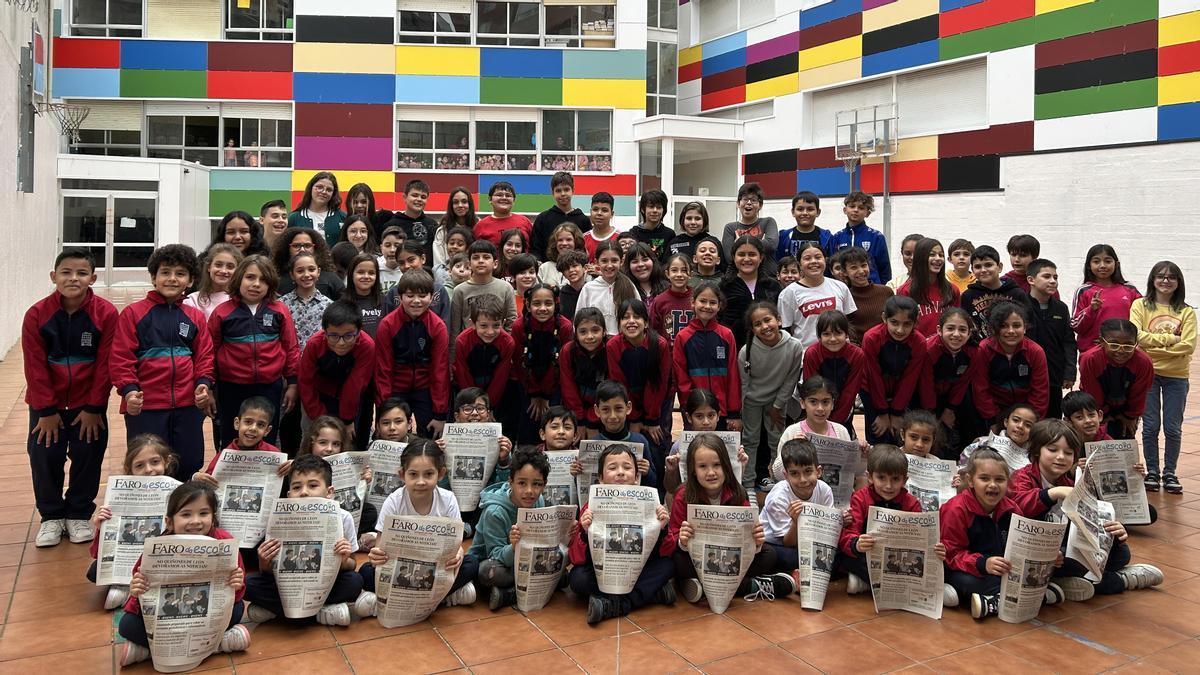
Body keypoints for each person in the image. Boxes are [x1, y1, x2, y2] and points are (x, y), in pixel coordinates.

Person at [24, 248, 118, 548]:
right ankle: (51, 517)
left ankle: (78, 513)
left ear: (92, 278)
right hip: (47, 408)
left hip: (86, 407)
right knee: (44, 457)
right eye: (66, 272)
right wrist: (46, 410)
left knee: (88, 457)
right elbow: (34, 366)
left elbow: (105, 366)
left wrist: (94, 407)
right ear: (54, 276)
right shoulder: (37, 314)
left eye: (81, 273)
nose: (73, 278)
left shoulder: (106, 314)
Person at [1008, 420, 1162, 598]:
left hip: (1062, 550)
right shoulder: (1023, 477)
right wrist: (1052, 493)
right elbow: (1017, 507)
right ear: (1036, 451)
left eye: (1068, 453)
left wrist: (1113, 533)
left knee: (1122, 554)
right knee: (1075, 564)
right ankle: (1122, 580)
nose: (1061, 457)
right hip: (1034, 551)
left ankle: (1064, 582)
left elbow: (1085, 523)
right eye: (1052, 450)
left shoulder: (1069, 482)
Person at [118, 481, 250, 666]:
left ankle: (147, 650)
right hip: (168, 624)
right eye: (186, 514)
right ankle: (219, 644)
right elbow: (140, 588)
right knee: (127, 625)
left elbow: (236, 594)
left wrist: (236, 584)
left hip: (206, 618)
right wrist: (137, 588)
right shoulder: (158, 546)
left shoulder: (225, 542)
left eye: (203, 513)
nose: (195, 521)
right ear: (169, 521)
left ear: (213, 517)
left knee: (237, 609)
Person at [110, 244, 213, 480]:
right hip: (147, 407)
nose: (172, 279)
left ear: (190, 280)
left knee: (188, 461)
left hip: (187, 406)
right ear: (154, 277)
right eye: (165, 272)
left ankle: (183, 511)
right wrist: (129, 391)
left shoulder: (194, 316)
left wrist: (203, 383)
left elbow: (204, 355)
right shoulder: (133, 313)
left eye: (180, 273)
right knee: (149, 465)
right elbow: (121, 358)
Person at [354, 439, 479, 616]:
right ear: (402, 474)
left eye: (428, 474)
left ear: (441, 473)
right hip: (403, 571)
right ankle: (445, 598)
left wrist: (458, 555)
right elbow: (381, 546)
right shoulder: (394, 501)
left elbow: (457, 545)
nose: (420, 481)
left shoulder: (448, 499)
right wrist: (377, 555)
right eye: (413, 474)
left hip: (435, 571)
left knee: (471, 563)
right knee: (366, 572)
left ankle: (396, 601)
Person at [668, 434, 794, 606]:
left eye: (717, 465)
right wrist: (682, 540)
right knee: (675, 561)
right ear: (693, 470)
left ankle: (704, 587)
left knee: (768, 554)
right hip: (699, 560)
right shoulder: (683, 495)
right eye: (703, 466)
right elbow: (673, 535)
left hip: (730, 559)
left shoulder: (738, 493)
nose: (711, 472)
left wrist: (755, 542)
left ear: (726, 467)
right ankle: (751, 585)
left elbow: (749, 536)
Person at [244, 454, 364, 626]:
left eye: (313, 485)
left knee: (354, 581)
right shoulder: (278, 517)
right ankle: (323, 611)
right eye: (296, 487)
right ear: (288, 494)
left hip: (324, 584)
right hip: (288, 586)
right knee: (248, 584)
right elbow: (268, 571)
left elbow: (352, 564)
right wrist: (264, 560)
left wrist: (344, 559)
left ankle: (278, 611)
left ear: (329, 492)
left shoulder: (343, 517)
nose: (304, 492)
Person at [569, 444, 674, 623]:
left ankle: (616, 605)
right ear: (601, 479)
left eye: (627, 467)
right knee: (577, 578)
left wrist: (663, 529)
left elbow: (667, 550)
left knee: (668, 566)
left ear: (636, 477)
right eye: (612, 468)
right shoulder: (590, 508)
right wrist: (585, 533)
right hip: (605, 573)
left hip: (638, 570)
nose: (620, 472)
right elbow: (575, 558)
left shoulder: (652, 506)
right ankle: (652, 594)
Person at [208, 255, 299, 447]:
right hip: (231, 387)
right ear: (239, 278)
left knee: (266, 436)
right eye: (250, 277)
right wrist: (209, 387)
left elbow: (291, 347)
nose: (256, 284)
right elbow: (209, 352)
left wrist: (292, 383)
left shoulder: (280, 310)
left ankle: (263, 476)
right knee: (230, 435)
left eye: (263, 280)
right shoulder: (222, 312)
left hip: (269, 386)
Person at [86, 434, 178, 607]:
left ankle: (138, 589)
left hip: (164, 559)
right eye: (140, 465)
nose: (149, 470)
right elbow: (97, 553)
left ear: (167, 461)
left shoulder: (178, 491)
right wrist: (102, 527)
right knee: (95, 571)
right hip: (129, 559)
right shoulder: (119, 497)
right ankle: (126, 586)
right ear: (130, 470)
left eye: (155, 462)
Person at [839, 446, 941, 595]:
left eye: (895, 479)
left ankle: (867, 583)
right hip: (867, 557)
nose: (888, 486)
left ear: (904, 480)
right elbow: (848, 534)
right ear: (870, 477)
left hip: (900, 560)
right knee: (847, 559)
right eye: (881, 478)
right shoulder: (860, 498)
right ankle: (870, 581)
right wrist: (857, 544)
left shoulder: (912, 503)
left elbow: (922, 540)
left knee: (927, 566)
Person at [1131, 261, 1195, 493]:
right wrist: (1172, 340)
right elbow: (1136, 336)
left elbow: (1188, 346)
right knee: (1150, 426)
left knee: (1172, 428)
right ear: (1153, 280)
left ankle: (1170, 473)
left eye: (1171, 277)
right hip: (1148, 373)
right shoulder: (1141, 305)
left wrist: (1152, 344)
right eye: (1161, 276)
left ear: (1179, 282)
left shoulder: (1186, 311)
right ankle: (1152, 472)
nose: (1166, 281)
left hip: (1177, 377)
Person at [470, 448, 555, 610]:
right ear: (511, 482)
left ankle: (508, 594)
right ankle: (536, 585)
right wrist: (514, 546)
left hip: (525, 560)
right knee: (487, 572)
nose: (529, 491)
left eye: (537, 484)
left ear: (544, 485)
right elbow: (495, 554)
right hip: (497, 560)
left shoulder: (539, 501)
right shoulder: (495, 512)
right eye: (522, 483)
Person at [376, 269, 450, 437]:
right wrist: (383, 408)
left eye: (423, 296)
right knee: (393, 436)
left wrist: (440, 413)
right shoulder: (387, 325)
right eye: (410, 296)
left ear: (431, 297)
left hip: (425, 388)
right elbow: (383, 369)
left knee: (430, 436)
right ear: (400, 297)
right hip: (396, 388)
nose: (416, 301)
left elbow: (440, 370)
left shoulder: (438, 327)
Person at [739, 301, 804, 490]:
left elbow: (791, 379)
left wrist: (778, 405)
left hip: (778, 400)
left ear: (779, 320)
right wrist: (741, 411)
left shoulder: (794, 346)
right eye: (757, 324)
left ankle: (780, 481)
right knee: (750, 439)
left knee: (777, 439)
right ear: (752, 329)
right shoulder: (747, 351)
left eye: (767, 320)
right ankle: (749, 482)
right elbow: (744, 384)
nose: (764, 327)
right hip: (752, 401)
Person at [299, 302, 376, 447]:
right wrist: (320, 419)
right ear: (325, 331)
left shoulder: (367, 346)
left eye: (348, 336)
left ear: (359, 331)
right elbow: (306, 383)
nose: (341, 343)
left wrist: (347, 420)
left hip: (353, 400)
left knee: (351, 439)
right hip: (319, 395)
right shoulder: (314, 344)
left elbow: (355, 384)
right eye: (333, 336)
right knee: (314, 439)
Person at [607, 299, 672, 466]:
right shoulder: (613, 346)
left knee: (657, 445)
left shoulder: (659, 344)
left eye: (636, 317)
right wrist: (634, 418)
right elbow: (619, 385)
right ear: (619, 323)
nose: (631, 322)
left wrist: (652, 420)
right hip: (628, 405)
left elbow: (658, 384)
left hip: (657, 405)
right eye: (625, 317)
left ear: (646, 321)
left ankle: (659, 488)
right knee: (630, 449)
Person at [760, 438, 835, 574]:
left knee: (836, 553)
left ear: (818, 471)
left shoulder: (825, 490)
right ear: (786, 476)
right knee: (790, 557)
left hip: (809, 541)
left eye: (808, 471)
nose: (803, 480)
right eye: (794, 473)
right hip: (777, 543)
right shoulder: (778, 497)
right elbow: (788, 542)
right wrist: (795, 522)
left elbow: (826, 533)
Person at [861, 296, 929, 444]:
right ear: (884, 318)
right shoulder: (871, 338)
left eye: (907, 324)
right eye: (894, 323)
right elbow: (873, 377)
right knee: (878, 433)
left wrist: (897, 413)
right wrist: (882, 412)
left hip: (902, 392)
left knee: (899, 435)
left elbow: (910, 379)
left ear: (915, 323)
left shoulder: (919, 342)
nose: (900, 330)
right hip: (872, 391)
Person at [769, 376, 861, 484]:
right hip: (801, 496)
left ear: (832, 404)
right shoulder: (792, 432)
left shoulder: (841, 431)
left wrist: (861, 456)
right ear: (803, 403)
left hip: (833, 496)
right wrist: (789, 449)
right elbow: (778, 475)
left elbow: (851, 472)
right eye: (813, 402)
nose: (820, 408)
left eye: (825, 402)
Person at [674, 283, 742, 429]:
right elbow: (681, 377)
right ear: (693, 302)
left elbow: (733, 375)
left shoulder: (726, 335)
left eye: (712, 302)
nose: (707, 306)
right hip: (695, 412)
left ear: (719, 306)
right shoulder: (683, 337)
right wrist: (690, 405)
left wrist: (734, 412)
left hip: (721, 411)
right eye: (702, 301)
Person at [512, 284, 574, 443]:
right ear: (528, 305)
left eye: (548, 303)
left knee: (551, 427)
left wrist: (545, 395)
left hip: (554, 387)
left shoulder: (565, 327)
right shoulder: (519, 327)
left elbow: (560, 365)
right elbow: (520, 364)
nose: (543, 308)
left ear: (556, 303)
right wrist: (534, 394)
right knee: (528, 429)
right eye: (537, 303)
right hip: (527, 387)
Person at [971, 301, 1049, 423]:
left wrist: (1031, 420)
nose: (1011, 331)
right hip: (993, 412)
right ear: (994, 329)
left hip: (1027, 411)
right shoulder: (983, 349)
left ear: (1025, 328)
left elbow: (1040, 392)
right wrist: (993, 420)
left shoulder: (1035, 351)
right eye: (1003, 326)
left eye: (1016, 325)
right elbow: (980, 390)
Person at [1078, 319, 1153, 441]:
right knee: (1099, 440)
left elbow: (1139, 394)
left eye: (1128, 346)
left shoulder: (1143, 362)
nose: (1121, 350)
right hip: (1097, 409)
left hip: (1127, 409)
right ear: (1102, 341)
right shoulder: (1090, 359)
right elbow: (1092, 391)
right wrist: (1102, 415)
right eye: (1114, 344)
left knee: (1125, 439)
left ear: (1136, 343)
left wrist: (1130, 416)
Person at [777, 241, 856, 352]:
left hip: (841, 354)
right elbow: (786, 330)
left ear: (825, 260)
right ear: (799, 264)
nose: (813, 261)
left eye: (818, 257)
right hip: (806, 357)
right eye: (807, 258)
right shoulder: (788, 293)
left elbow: (850, 321)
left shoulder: (840, 287)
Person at [1023, 258, 1077, 420]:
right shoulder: (1020, 306)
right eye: (1047, 276)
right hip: (1025, 378)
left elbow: (1068, 341)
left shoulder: (1061, 308)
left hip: (1053, 376)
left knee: (1052, 421)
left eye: (1055, 277)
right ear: (1031, 280)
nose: (1053, 281)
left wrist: (1070, 372)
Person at [925, 307, 983, 456]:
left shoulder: (974, 352)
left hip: (953, 396)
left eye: (962, 330)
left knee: (965, 419)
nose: (956, 334)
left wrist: (950, 409)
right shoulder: (929, 349)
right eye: (950, 328)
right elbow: (926, 384)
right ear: (939, 330)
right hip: (925, 397)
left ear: (969, 333)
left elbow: (963, 382)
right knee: (930, 427)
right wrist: (932, 414)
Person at [803, 310, 867, 434]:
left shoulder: (857, 354)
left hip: (845, 408)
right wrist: (821, 414)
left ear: (846, 334)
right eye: (826, 334)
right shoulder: (812, 354)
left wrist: (836, 423)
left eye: (838, 333)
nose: (833, 339)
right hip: (817, 406)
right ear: (819, 336)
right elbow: (811, 389)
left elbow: (851, 390)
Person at [1071, 243, 1141, 351]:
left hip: (1126, 352)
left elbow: (1142, 318)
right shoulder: (1083, 291)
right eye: (1096, 261)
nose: (1102, 265)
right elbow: (1076, 326)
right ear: (1089, 265)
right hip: (1093, 350)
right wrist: (1091, 309)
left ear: (1116, 264)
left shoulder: (1130, 289)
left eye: (1108, 261)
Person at [449, 240, 518, 345]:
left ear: (495, 263)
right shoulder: (460, 290)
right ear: (469, 263)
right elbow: (455, 328)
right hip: (468, 347)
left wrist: (505, 344)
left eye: (486, 257)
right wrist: (453, 357)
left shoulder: (505, 288)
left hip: (498, 345)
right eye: (476, 257)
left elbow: (511, 320)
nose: (481, 261)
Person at [453, 294, 516, 408]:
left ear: (503, 322)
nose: (490, 332)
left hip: (497, 396)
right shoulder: (462, 342)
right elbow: (463, 376)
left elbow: (500, 378)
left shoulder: (507, 343)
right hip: (467, 395)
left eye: (496, 325)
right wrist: (474, 406)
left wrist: (488, 407)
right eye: (483, 326)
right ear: (472, 323)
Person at [960, 245, 1032, 343]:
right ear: (972, 270)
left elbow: (1029, 325)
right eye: (977, 267)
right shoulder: (967, 296)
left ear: (1000, 267)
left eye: (988, 265)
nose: (983, 270)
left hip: (1012, 350)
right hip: (980, 351)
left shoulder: (1017, 293)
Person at [593, 380, 658, 488]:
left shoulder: (640, 441)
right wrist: (577, 474)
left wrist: (647, 472)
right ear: (597, 410)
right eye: (605, 409)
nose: (613, 416)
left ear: (628, 408)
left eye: (618, 408)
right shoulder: (592, 443)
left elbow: (653, 483)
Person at [721, 235, 782, 351]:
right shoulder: (724, 286)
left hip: (770, 350)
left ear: (761, 257)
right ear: (733, 257)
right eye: (741, 254)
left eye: (752, 254)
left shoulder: (773, 286)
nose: (747, 259)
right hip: (733, 350)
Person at [560, 308, 610, 439]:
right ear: (575, 333)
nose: (589, 336)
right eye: (583, 331)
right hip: (575, 412)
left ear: (604, 332)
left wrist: (593, 422)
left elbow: (611, 390)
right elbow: (568, 389)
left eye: (595, 330)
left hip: (605, 412)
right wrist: (580, 421)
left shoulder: (610, 350)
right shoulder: (568, 351)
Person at [897, 238, 959, 338]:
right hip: (918, 349)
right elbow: (903, 327)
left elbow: (957, 324)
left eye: (941, 255)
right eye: (932, 254)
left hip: (946, 349)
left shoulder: (952, 290)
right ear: (920, 258)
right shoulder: (905, 291)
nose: (938, 258)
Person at [575, 240, 637, 335]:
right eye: (604, 261)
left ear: (622, 261)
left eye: (614, 260)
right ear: (596, 262)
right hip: (596, 344)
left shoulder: (629, 285)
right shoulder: (589, 288)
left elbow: (639, 317)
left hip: (623, 342)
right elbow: (579, 320)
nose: (609, 265)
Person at [828, 191, 890, 285]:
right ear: (845, 210)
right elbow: (832, 266)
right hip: (844, 288)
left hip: (871, 287)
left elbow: (884, 269)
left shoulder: (876, 237)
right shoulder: (836, 237)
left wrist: (883, 289)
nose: (856, 210)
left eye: (861, 208)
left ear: (867, 213)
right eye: (852, 206)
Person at [532, 171, 591, 262]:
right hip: (548, 271)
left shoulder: (583, 220)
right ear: (552, 193)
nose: (563, 194)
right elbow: (535, 248)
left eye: (566, 189)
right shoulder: (543, 219)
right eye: (558, 190)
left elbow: (586, 248)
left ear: (573, 191)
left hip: (575, 270)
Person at [839, 246, 892, 344]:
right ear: (845, 272)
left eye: (863, 265)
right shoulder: (844, 296)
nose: (861, 271)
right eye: (854, 267)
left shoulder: (886, 291)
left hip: (886, 349)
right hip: (859, 352)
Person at [274, 229, 344, 300]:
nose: (302, 250)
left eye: (307, 246)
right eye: (296, 246)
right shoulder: (277, 280)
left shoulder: (330, 279)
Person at [722, 182, 778, 271]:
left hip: (768, 277)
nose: (749, 203)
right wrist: (762, 242)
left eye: (753, 200)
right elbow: (729, 258)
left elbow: (771, 245)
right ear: (738, 204)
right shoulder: (730, 228)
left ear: (760, 205)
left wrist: (739, 243)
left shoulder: (768, 222)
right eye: (745, 199)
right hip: (739, 278)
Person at [186, 244, 243, 321]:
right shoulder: (192, 300)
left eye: (230, 267)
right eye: (218, 265)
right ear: (209, 267)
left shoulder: (241, 300)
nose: (223, 271)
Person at [385, 179, 437, 261]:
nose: (419, 199)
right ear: (405, 197)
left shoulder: (432, 225)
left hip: (428, 272)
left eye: (423, 197)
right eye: (415, 195)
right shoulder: (392, 225)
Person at [648, 253, 695, 342]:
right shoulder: (659, 301)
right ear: (667, 274)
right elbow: (652, 331)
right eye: (674, 270)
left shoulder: (697, 298)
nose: (679, 274)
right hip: (668, 354)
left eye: (684, 270)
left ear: (691, 274)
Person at [288, 171, 344, 242]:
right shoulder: (294, 218)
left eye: (329, 190)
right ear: (311, 188)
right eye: (319, 187)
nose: (324, 192)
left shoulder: (342, 218)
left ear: (333, 194)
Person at [776, 191, 831, 262]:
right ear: (793, 212)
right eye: (800, 209)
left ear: (818, 212)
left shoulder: (827, 237)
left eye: (810, 209)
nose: (805, 213)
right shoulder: (783, 237)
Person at [474, 181, 533, 247]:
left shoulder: (525, 222)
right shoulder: (480, 226)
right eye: (499, 195)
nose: (504, 198)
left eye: (508, 195)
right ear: (490, 199)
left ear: (514, 200)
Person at [342, 253, 386, 337]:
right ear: (351, 274)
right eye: (360, 272)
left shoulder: (385, 301)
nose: (366, 276)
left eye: (371, 273)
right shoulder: (342, 303)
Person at [433, 187, 478, 268]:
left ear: (470, 204)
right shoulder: (442, 230)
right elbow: (438, 265)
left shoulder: (478, 226)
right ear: (451, 205)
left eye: (464, 202)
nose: (460, 205)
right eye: (456, 202)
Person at [630, 189, 674, 263]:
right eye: (651, 207)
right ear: (643, 209)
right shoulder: (634, 233)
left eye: (659, 207)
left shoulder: (669, 234)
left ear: (664, 210)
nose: (655, 210)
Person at [538, 222, 586, 287]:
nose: (564, 243)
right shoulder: (545, 268)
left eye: (568, 240)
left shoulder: (582, 267)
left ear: (576, 242)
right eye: (560, 240)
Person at [556, 249, 591, 320]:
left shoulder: (592, 290)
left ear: (585, 268)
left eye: (574, 266)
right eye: (566, 268)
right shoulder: (561, 295)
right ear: (563, 274)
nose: (571, 270)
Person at [582, 192, 618, 261]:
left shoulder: (619, 238)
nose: (599, 213)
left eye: (604, 210)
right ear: (590, 212)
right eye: (595, 209)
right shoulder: (583, 239)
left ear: (612, 214)